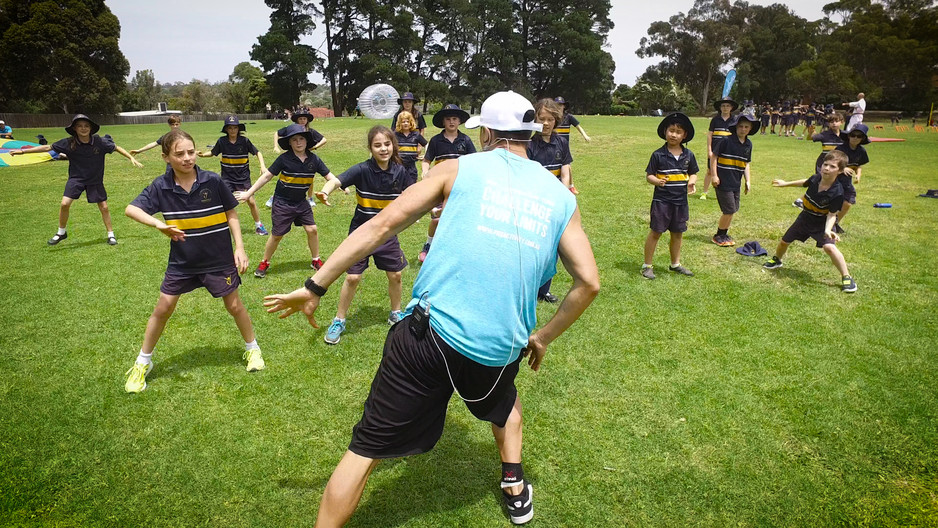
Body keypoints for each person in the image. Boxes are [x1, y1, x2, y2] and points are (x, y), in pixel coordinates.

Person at [262, 90, 600, 527]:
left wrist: (314, 286)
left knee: (365, 451)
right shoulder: (560, 196)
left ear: (488, 133)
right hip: (498, 346)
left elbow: (382, 224)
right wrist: (542, 337)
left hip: (426, 336)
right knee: (505, 404)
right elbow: (589, 283)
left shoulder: (455, 168)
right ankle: (514, 484)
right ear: (531, 134)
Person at [122, 129, 263, 393]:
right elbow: (131, 209)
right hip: (183, 262)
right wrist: (158, 225)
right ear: (166, 157)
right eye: (179, 154)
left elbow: (231, 213)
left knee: (234, 306)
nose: (187, 158)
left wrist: (240, 248)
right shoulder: (160, 186)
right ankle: (143, 362)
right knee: (162, 309)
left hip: (218, 258)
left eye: (190, 152)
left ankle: (252, 349)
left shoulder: (212, 180)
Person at [315, 126, 411, 345]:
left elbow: (412, 195)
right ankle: (339, 319)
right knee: (353, 277)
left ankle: (396, 313)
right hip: (360, 233)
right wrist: (325, 191)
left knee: (395, 275)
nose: (383, 149)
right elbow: (337, 181)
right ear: (370, 148)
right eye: (377, 145)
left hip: (387, 234)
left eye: (387, 144)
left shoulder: (400, 171)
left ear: (393, 145)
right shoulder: (362, 170)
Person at [10, 114, 142, 246]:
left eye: (86, 126)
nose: (83, 128)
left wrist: (131, 158)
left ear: (91, 128)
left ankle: (111, 235)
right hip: (76, 179)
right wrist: (22, 152)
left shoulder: (99, 142)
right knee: (64, 204)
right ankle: (61, 232)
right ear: (74, 129)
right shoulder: (68, 143)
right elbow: (47, 147)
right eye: (80, 126)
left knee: (104, 207)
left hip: (94, 180)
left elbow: (116, 147)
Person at [237, 124, 341, 278]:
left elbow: (330, 177)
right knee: (277, 235)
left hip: (301, 202)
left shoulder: (314, 160)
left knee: (312, 229)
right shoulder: (284, 159)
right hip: (282, 202)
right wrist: (248, 193)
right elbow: (267, 176)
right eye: (294, 140)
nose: (298, 142)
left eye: (301, 139)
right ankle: (265, 262)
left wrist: (341, 185)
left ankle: (316, 260)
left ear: (306, 141)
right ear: (290, 143)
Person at [763, 150, 857, 293]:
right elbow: (804, 182)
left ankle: (847, 277)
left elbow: (832, 215)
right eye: (825, 164)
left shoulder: (837, 193)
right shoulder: (816, 178)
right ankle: (777, 260)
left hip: (822, 222)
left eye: (832, 167)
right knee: (784, 242)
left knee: (830, 248)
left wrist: (827, 230)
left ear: (840, 171)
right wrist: (785, 184)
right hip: (805, 217)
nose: (827, 168)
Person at [641, 112, 698, 280]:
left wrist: (691, 182)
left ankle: (675, 264)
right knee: (656, 232)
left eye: (678, 132)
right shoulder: (658, 154)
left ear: (684, 135)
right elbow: (649, 176)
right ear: (665, 131)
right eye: (671, 130)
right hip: (662, 202)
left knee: (677, 233)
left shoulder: (689, 155)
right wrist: (657, 181)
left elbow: (693, 173)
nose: (674, 134)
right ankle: (647, 266)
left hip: (680, 202)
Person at [527, 97, 574, 303]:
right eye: (541, 118)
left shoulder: (561, 142)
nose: (545, 123)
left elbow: (565, 171)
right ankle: (529, 287)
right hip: (535, 202)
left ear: (556, 120)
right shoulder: (528, 144)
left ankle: (544, 290)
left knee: (553, 248)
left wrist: (563, 196)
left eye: (550, 119)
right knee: (532, 245)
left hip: (554, 202)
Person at [418, 103, 475, 262]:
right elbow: (426, 160)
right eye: (448, 119)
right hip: (440, 186)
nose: (451, 122)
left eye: (454, 119)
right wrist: (425, 171)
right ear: (443, 122)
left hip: (460, 186)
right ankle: (428, 246)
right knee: (436, 218)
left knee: (460, 218)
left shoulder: (466, 140)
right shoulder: (436, 141)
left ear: (459, 121)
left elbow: (473, 161)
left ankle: (455, 249)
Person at [198, 115, 269, 236]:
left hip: (243, 177)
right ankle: (220, 226)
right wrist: (202, 155)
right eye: (230, 128)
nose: (232, 130)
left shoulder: (244, 141)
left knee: (251, 201)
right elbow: (213, 152)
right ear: (226, 129)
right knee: (223, 202)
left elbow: (258, 152)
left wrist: (262, 166)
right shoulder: (222, 141)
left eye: (235, 128)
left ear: (238, 129)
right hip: (227, 178)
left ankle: (259, 225)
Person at [710, 113, 757, 247]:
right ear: (735, 127)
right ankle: (718, 235)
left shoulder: (748, 144)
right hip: (723, 181)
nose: (743, 129)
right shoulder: (726, 141)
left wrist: (748, 181)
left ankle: (724, 233)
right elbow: (714, 157)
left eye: (746, 127)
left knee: (733, 209)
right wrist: (714, 175)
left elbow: (746, 163)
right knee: (729, 210)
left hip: (736, 183)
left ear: (750, 129)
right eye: (740, 126)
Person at [832, 123, 871, 232]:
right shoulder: (840, 148)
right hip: (834, 179)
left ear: (862, 139)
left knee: (848, 202)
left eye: (859, 136)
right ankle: (825, 223)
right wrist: (842, 168)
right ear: (849, 136)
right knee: (832, 203)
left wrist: (858, 175)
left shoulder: (861, 151)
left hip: (847, 181)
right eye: (853, 135)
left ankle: (835, 223)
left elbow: (858, 166)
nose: (855, 138)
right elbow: (831, 162)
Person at [699, 96, 737, 200]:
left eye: (727, 106)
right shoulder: (715, 119)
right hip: (715, 150)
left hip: (727, 151)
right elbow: (709, 135)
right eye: (723, 106)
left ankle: (724, 193)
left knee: (726, 171)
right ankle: (704, 192)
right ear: (720, 108)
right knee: (710, 171)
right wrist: (709, 150)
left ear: (731, 107)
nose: (725, 108)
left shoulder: (734, 120)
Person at [552, 96, 590, 194]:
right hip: (554, 144)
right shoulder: (553, 117)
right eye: (557, 105)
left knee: (567, 165)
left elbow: (578, 127)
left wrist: (585, 135)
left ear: (564, 106)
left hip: (564, 146)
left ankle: (571, 186)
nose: (559, 107)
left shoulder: (569, 117)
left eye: (561, 105)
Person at [394, 110, 427, 187]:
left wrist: (426, 156)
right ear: (399, 123)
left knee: (411, 188)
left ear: (411, 122)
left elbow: (427, 144)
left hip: (411, 167)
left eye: (407, 121)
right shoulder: (395, 135)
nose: (405, 123)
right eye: (403, 122)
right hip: (398, 166)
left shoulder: (416, 134)